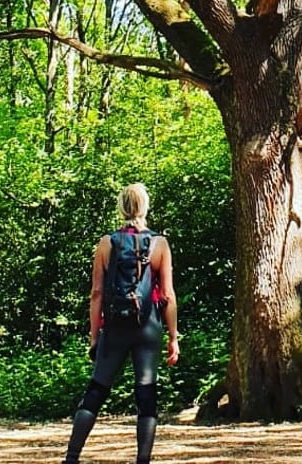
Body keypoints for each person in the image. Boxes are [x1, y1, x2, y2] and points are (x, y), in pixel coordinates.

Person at [62, 183, 179, 464]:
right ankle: (142, 461)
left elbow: (97, 294)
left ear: (121, 208)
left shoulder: (107, 243)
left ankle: (71, 458)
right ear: (145, 206)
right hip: (148, 326)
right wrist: (173, 336)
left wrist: (94, 336)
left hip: (114, 327)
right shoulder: (159, 244)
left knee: (97, 389)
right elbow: (167, 295)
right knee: (146, 392)